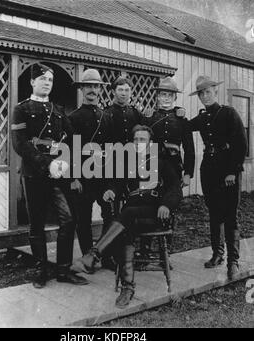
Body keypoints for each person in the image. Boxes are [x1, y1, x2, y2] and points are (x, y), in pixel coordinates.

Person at [74, 125, 182, 308]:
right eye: (136, 140)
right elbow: (115, 183)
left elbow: (175, 188)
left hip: (154, 214)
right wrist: (110, 190)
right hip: (131, 216)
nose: (139, 143)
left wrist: (166, 204)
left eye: (143, 140)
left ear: (150, 143)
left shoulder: (162, 162)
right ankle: (128, 288)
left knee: (125, 216)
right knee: (125, 230)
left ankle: (94, 255)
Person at [11, 63, 88, 288]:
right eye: (43, 79)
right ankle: (41, 271)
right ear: (33, 82)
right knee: (37, 225)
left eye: (50, 80)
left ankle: (63, 270)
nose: (47, 83)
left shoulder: (58, 110)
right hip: (34, 175)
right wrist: (47, 163)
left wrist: (63, 163)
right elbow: (20, 144)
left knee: (68, 220)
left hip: (59, 176)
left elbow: (73, 141)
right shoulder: (22, 109)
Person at [189, 76, 248, 280]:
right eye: (201, 93)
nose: (204, 96)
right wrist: (177, 115)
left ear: (215, 91)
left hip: (228, 171)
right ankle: (217, 255)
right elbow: (185, 127)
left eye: (208, 92)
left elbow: (241, 143)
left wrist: (233, 170)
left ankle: (233, 262)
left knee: (230, 216)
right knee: (214, 214)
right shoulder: (203, 117)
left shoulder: (228, 113)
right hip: (209, 171)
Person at [142, 77, 195, 266]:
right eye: (162, 94)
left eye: (169, 95)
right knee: (148, 205)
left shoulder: (181, 119)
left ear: (174, 97)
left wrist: (188, 173)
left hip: (173, 168)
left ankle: (166, 255)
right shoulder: (149, 117)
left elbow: (189, 148)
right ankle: (145, 252)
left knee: (169, 208)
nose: (165, 98)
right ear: (156, 96)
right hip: (152, 167)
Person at [69, 69, 114, 262]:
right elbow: (69, 150)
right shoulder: (73, 118)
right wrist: (73, 177)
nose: (92, 90)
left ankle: (104, 253)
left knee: (110, 215)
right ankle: (88, 255)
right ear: (81, 89)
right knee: (83, 219)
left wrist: (112, 180)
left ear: (100, 90)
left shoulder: (107, 116)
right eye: (88, 86)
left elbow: (112, 149)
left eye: (96, 86)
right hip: (83, 176)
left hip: (103, 175)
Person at [100, 76, 144, 270]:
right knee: (111, 213)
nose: (123, 93)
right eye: (120, 90)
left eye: (127, 90)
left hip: (133, 168)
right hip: (112, 166)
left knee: (131, 210)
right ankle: (107, 255)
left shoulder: (135, 113)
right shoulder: (107, 113)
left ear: (130, 92)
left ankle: (128, 253)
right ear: (113, 92)